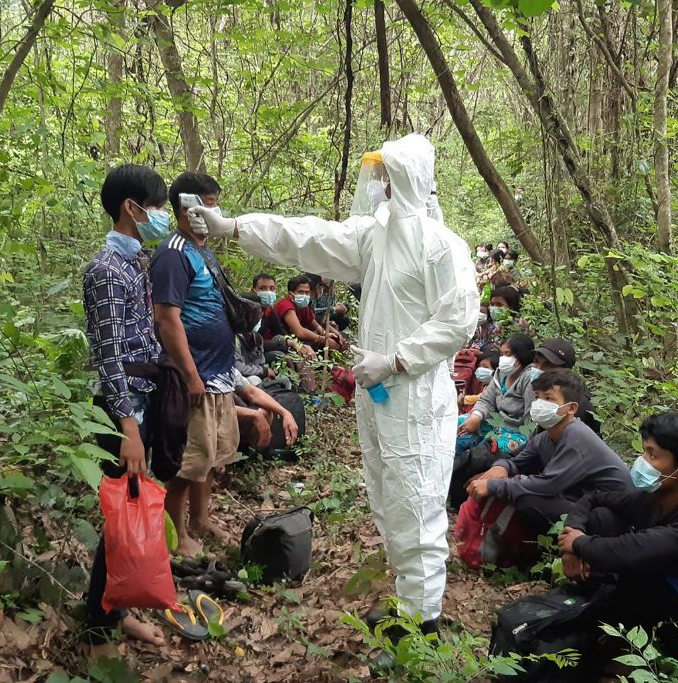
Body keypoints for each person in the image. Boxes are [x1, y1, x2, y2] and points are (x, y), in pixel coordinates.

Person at [187, 134, 480, 641]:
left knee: (416, 501)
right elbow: (309, 237)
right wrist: (235, 227)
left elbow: (459, 321)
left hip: (415, 399)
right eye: (379, 177)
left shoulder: (441, 246)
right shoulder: (376, 237)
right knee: (388, 498)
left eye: (388, 177)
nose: (381, 187)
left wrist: (394, 360)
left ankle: (423, 623)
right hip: (379, 396)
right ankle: (407, 602)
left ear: (409, 179)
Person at [558, 412, 678, 666]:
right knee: (603, 517)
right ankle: (605, 622)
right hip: (673, 589)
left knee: (641, 568)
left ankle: (618, 650)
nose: (642, 461)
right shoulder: (655, 496)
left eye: (652, 454)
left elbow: (637, 552)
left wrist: (578, 543)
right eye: (644, 452)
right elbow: (594, 497)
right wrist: (572, 542)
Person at [80, 163, 181, 650]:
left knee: (128, 512)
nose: (162, 216)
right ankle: (99, 627)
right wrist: (128, 427)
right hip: (125, 412)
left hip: (145, 402)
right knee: (121, 518)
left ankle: (111, 612)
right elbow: (109, 354)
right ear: (132, 208)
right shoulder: (105, 271)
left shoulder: (136, 262)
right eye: (158, 207)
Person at [151, 171, 237, 557]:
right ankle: (177, 534)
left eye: (217, 201)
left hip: (219, 373)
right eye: (209, 202)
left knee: (211, 457)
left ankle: (201, 520)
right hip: (195, 374)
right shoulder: (172, 253)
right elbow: (167, 318)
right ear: (188, 205)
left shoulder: (204, 250)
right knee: (188, 462)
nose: (214, 210)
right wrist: (189, 374)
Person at [466, 370, 631, 536]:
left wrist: (494, 486)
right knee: (516, 488)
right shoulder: (546, 436)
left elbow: (547, 485)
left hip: (610, 516)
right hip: (582, 502)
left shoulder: (577, 437)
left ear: (571, 408)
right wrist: (502, 467)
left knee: (528, 499)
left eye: (549, 398)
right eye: (537, 397)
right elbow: (518, 459)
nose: (539, 404)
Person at [458, 334, 537, 456]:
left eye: (508, 354)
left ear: (521, 355)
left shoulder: (529, 379)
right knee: (455, 424)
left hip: (517, 432)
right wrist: (476, 417)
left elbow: (531, 418)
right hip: (494, 422)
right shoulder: (501, 374)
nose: (504, 358)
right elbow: (486, 400)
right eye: (502, 354)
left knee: (484, 450)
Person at [532, 338, 601, 434]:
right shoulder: (545, 392)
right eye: (536, 361)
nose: (539, 369)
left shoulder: (577, 404)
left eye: (548, 365)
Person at [272, 274, 345, 351]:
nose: (304, 295)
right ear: (290, 294)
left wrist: (328, 335)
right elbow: (299, 332)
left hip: (292, 340)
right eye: (300, 292)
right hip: (279, 343)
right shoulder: (286, 305)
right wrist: (324, 339)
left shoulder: (303, 307)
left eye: (307, 293)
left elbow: (316, 326)